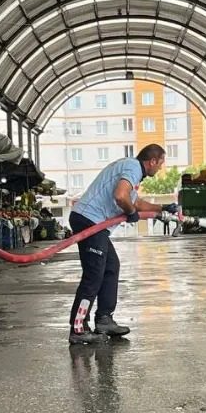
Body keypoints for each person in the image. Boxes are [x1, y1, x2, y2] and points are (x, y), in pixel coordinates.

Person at [67, 144, 176, 345]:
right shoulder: (133, 167)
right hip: (90, 220)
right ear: (152, 161)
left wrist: (162, 208)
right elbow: (121, 196)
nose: (160, 168)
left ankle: (104, 319)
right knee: (94, 275)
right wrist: (130, 212)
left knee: (110, 267)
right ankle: (78, 328)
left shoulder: (132, 172)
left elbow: (136, 202)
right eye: (160, 163)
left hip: (94, 223)